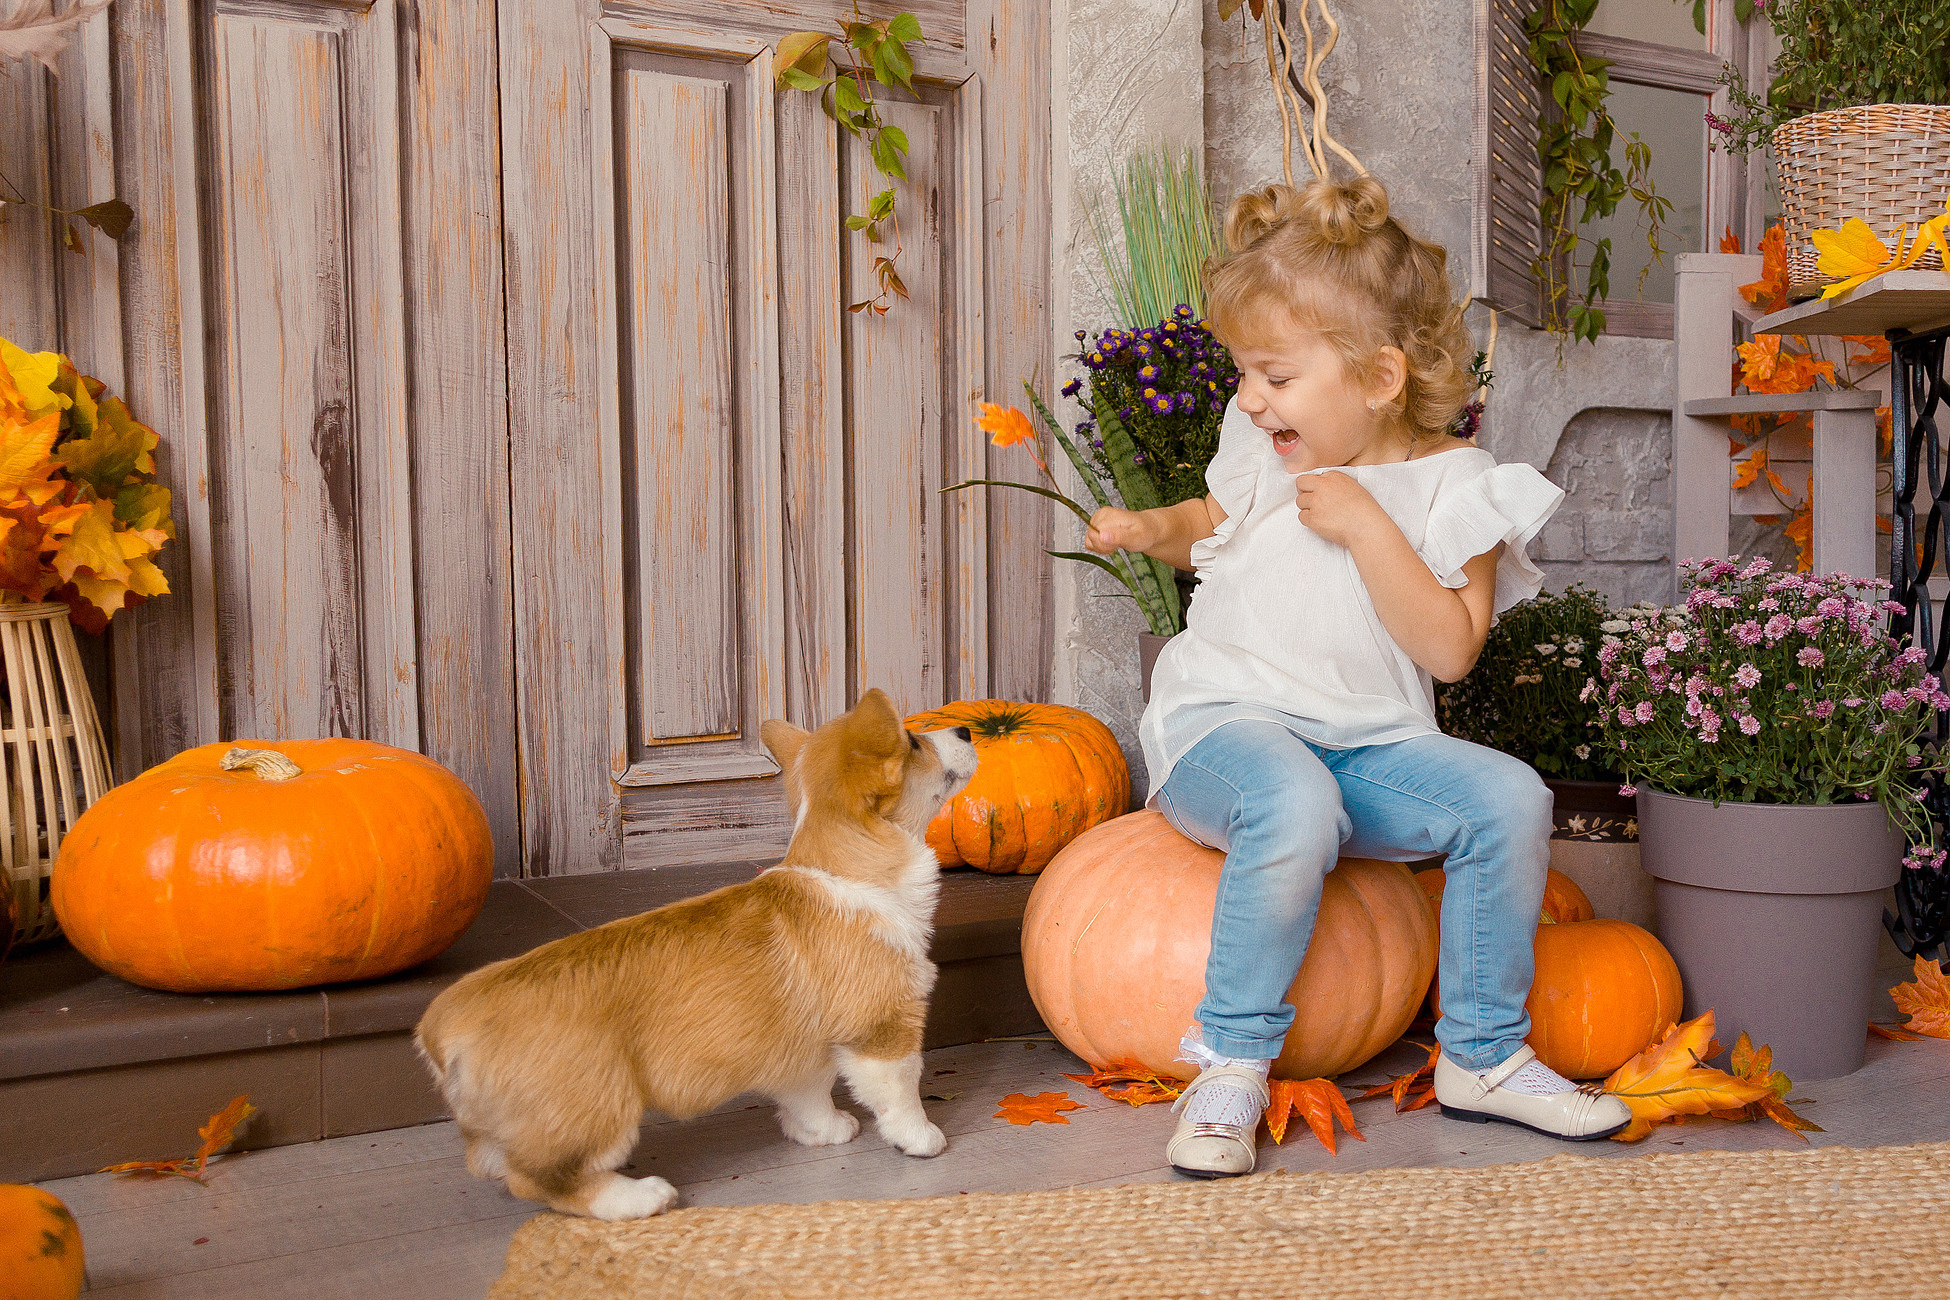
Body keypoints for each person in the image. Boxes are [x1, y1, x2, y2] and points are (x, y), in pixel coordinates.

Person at [1084, 175, 1632, 1178]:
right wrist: (1147, 528)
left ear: (1380, 377)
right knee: (1290, 801)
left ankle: (1482, 1054)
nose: (1250, 398)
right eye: (1246, 372)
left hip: (1371, 746)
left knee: (1508, 797)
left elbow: (1451, 649)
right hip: (1228, 726)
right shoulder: (1259, 448)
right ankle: (1231, 1061)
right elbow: (1211, 527)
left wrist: (1371, 526)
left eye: (1277, 376)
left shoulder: (1458, 486)